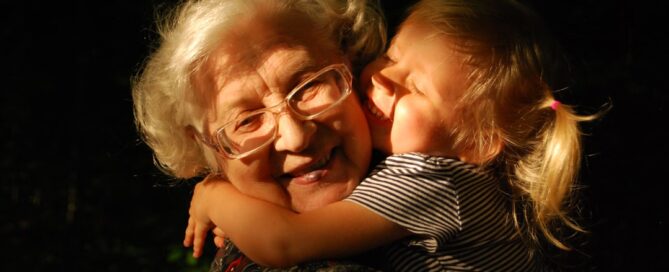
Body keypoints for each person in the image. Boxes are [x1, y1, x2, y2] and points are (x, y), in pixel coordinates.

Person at [185, 0, 605, 270]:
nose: (384, 80)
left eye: (417, 89)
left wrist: (215, 195)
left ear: (475, 143)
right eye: (390, 57)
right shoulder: (417, 168)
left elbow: (284, 242)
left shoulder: (434, 180)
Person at [131, 0, 387, 270]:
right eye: (248, 121)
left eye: (308, 87)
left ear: (351, 63)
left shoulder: (423, 169)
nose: (296, 137)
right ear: (208, 147)